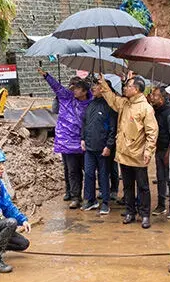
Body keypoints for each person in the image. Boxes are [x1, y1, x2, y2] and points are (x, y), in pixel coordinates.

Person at [100, 74, 158, 229]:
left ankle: (145, 214)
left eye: (128, 86)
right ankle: (130, 212)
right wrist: (103, 84)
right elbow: (112, 99)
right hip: (124, 153)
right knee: (127, 186)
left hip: (138, 154)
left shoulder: (146, 108)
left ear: (137, 89)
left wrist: (148, 151)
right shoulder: (125, 103)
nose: (125, 88)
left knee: (143, 186)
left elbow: (152, 132)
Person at [39, 68, 92, 208]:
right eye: (73, 88)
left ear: (85, 91)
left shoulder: (91, 103)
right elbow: (56, 86)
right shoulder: (66, 97)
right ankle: (75, 197)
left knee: (89, 171)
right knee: (72, 171)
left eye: (77, 88)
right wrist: (47, 75)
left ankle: (89, 197)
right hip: (68, 142)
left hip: (84, 141)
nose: (74, 90)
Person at [80, 78, 117, 215]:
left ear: (103, 88)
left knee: (103, 176)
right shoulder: (90, 105)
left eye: (96, 85)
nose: (93, 88)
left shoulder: (109, 106)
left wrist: (109, 146)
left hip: (103, 149)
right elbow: (85, 123)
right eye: (93, 85)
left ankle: (105, 202)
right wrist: (83, 138)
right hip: (89, 147)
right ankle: (90, 200)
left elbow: (113, 129)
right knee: (89, 174)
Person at [52, 76, 84, 201]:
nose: (73, 89)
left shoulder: (81, 101)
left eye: (75, 86)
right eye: (71, 86)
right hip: (64, 139)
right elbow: (55, 110)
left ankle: (77, 193)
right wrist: (58, 97)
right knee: (67, 168)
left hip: (78, 139)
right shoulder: (64, 97)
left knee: (76, 169)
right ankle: (69, 191)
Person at [150, 87, 170, 216]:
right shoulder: (155, 110)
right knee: (160, 177)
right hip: (159, 148)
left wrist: (169, 153)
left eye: (155, 95)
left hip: (168, 150)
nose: (152, 97)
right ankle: (161, 205)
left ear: (162, 98)